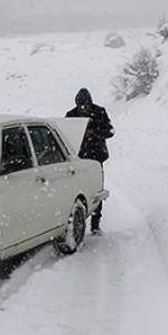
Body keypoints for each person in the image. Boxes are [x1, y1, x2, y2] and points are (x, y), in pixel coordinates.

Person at [65, 88, 114, 234]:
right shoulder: (70, 115)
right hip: (78, 158)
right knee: (76, 191)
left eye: (85, 106)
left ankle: (95, 224)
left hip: (96, 158)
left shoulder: (100, 112)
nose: (83, 109)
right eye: (80, 106)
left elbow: (110, 131)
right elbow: (65, 134)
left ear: (90, 104)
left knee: (96, 190)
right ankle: (76, 223)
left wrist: (94, 133)